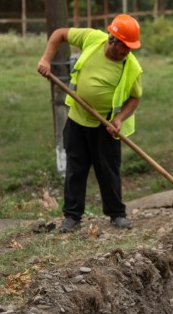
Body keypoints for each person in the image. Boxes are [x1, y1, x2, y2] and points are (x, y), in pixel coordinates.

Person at [36, 14, 143, 232]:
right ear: (113, 39)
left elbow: (135, 97)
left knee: (108, 171)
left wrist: (119, 119)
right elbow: (59, 34)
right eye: (125, 46)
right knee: (76, 169)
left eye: (131, 47)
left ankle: (117, 215)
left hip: (106, 127)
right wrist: (46, 59)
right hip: (77, 120)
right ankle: (72, 217)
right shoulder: (93, 39)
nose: (128, 51)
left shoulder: (131, 67)